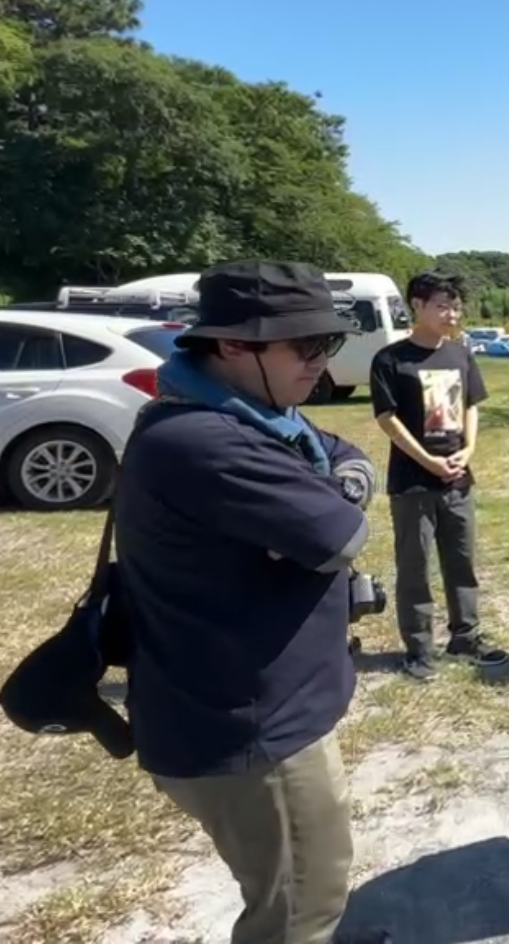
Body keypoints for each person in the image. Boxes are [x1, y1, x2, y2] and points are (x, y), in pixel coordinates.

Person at [113, 259, 379, 944]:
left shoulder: (254, 416)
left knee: (301, 895)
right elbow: (342, 535)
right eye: (306, 345)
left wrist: (331, 490)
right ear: (233, 344)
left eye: (328, 343)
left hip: (255, 711)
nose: (322, 363)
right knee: (298, 910)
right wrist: (329, 503)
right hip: (253, 732)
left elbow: (343, 455)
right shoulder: (206, 440)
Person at [370, 270, 502, 679]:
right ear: (418, 306)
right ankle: (419, 649)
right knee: (414, 566)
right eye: (443, 306)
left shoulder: (461, 355)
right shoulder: (391, 360)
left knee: (462, 561)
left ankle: (466, 637)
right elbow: (387, 419)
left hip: (458, 478)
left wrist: (469, 449)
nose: (452, 314)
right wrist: (427, 461)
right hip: (413, 482)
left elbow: (471, 406)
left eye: (456, 307)